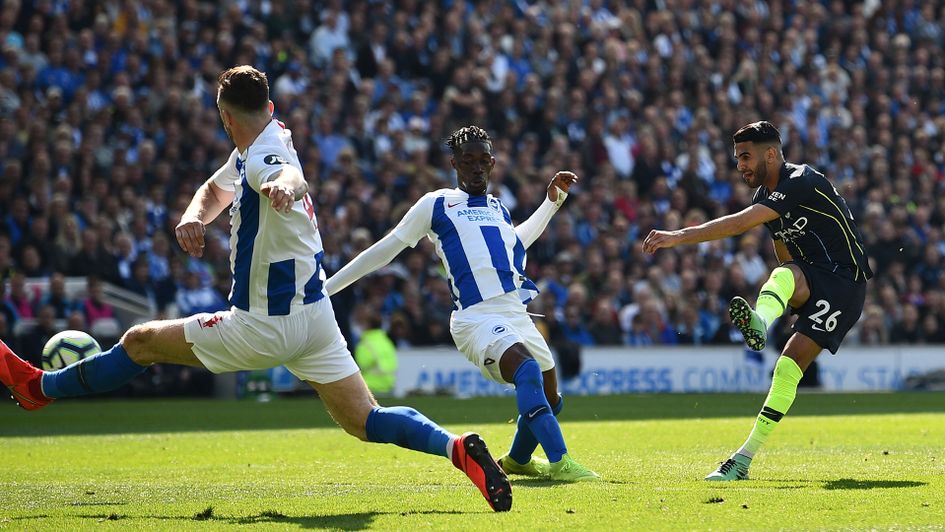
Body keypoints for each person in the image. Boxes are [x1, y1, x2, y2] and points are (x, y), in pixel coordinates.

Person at [0, 66, 511, 512]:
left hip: (263, 324)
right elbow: (218, 185)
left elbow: (286, 174)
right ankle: (457, 448)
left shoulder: (266, 156)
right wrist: (194, 217)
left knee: (139, 342)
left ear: (225, 118)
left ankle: (38, 389)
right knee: (365, 419)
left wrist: (286, 187)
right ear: (266, 107)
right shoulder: (266, 136)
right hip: (315, 319)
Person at [325, 126, 600, 482]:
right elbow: (386, 248)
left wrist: (551, 203)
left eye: (483, 160)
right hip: (476, 318)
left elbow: (517, 243)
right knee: (527, 370)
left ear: (492, 164)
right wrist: (327, 287)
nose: (476, 167)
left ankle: (517, 460)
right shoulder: (436, 204)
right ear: (454, 164)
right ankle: (561, 461)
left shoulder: (498, 207)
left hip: (515, 312)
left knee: (551, 395)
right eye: (467, 160)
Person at [643, 121, 872, 480]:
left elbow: (739, 225)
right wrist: (789, 297)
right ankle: (759, 327)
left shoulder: (800, 180)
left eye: (746, 157)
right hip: (812, 278)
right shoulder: (765, 197)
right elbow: (783, 253)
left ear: (771, 153)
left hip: (845, 284)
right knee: (783, 297)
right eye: (737, 159)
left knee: (786, 354)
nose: (741, 166)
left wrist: (678, 236)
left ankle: (759, 327)